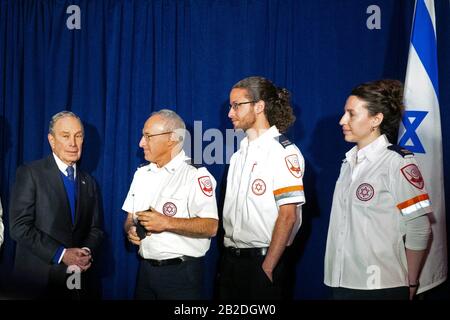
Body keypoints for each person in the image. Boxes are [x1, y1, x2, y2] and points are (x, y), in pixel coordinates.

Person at [324, 79, 432, 300]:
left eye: (351, 114)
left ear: (376, 119)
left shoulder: (397, 162)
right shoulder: (348, 162)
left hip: (381, 287)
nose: (342, 120)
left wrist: (411, 282)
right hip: (342, 283)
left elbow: (420, 227)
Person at [219, 76, 306, 300]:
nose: (230, 113)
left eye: (237, 105)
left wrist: (267, 266)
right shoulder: (239, 155)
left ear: (259, 106)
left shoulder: (283, 151)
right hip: (230, 262)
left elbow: (288, 217)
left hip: (262, 262)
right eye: (231, 106)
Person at [122, 109, 219, 300]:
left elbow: (211, 226)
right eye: (143, 136)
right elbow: (129, 219)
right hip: (145, 272)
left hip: (181, 276)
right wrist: (130, 230)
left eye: (148, 136)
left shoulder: (195, 175)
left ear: (172, 138)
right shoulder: (141, 174)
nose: (141, 143)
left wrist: (166, 222)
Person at [9, 111, 104, 299]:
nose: (73, 143)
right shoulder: (30, 173)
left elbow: (96, 229)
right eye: (65, 136)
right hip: (37, 280)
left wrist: (84, 252)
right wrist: (61, 254)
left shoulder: (89, 182)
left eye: (78, 136)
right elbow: (18, 227)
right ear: (51, 140)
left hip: (75, 279)